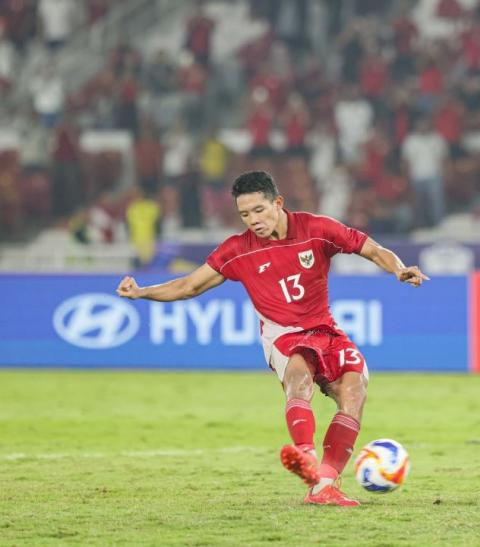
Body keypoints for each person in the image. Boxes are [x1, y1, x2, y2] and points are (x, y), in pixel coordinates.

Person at [115, 171, 429, 506]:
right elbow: (189, 285)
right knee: (299, 373)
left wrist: (398, 269)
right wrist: (142, 292)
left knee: (355, 390)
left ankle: (323, 486)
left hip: (325, 328)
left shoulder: (317, 229)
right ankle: (305, 456)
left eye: (259, 210)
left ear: (278, 203)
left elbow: (371, 248)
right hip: (282, 334)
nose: (253, 220)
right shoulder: (237, 250)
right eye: (245, 214)